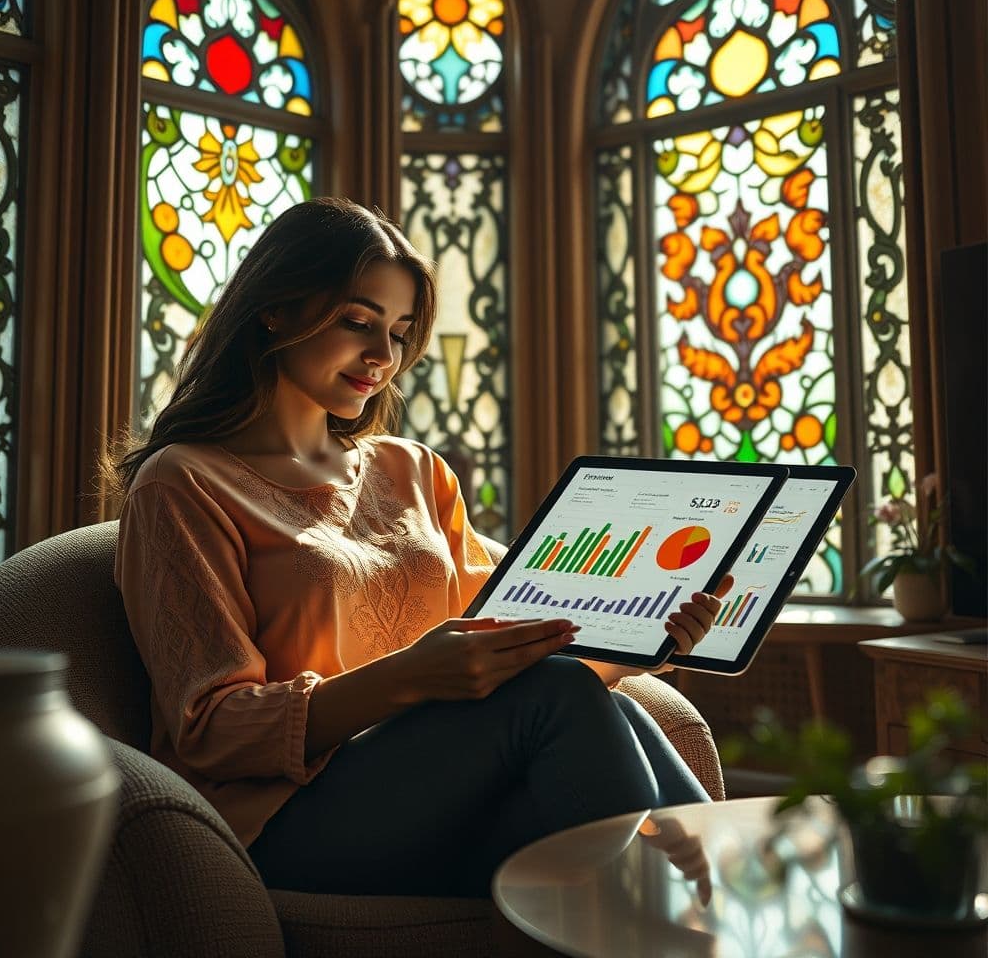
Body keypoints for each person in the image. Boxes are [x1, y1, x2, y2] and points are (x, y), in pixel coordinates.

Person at [109, 197, 731, 899]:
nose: (384, 357)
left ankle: (721, 921)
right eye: (358, 322)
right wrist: (409, 678)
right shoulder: (183, 483)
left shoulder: (412, 470)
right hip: (286, 821)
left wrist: (635, 649)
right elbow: (211, 729)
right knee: (560, 693)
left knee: (606, 704)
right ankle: (699, 922)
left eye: (401, 333)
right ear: (274, 309)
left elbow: (505, 656)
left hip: (446, 792)